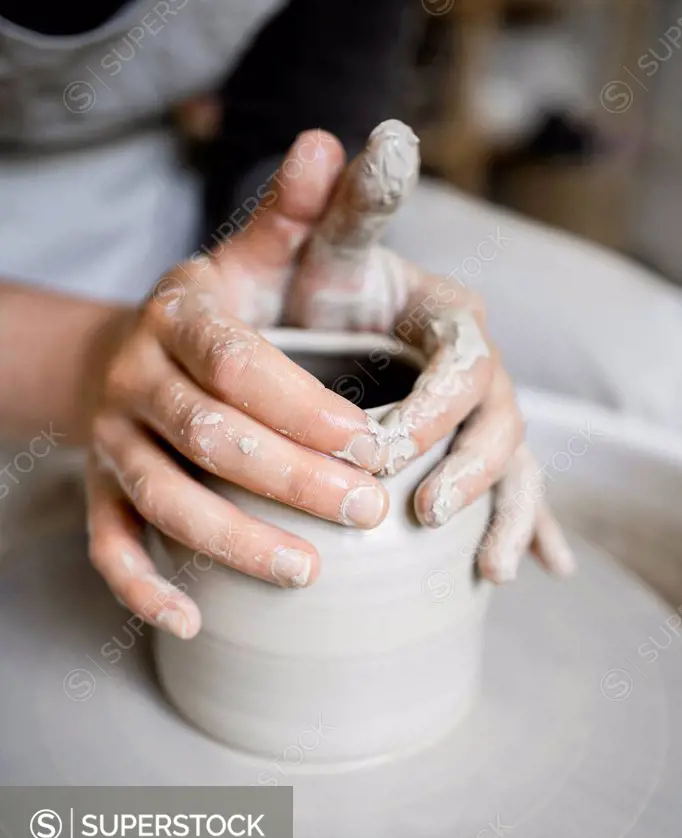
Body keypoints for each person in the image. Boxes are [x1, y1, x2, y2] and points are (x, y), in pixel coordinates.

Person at [0, 1, 594, 640]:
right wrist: (90, 362)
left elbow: (300, 108)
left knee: (650, 360)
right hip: (25, 234)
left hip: (155, 178)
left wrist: (307, 245)